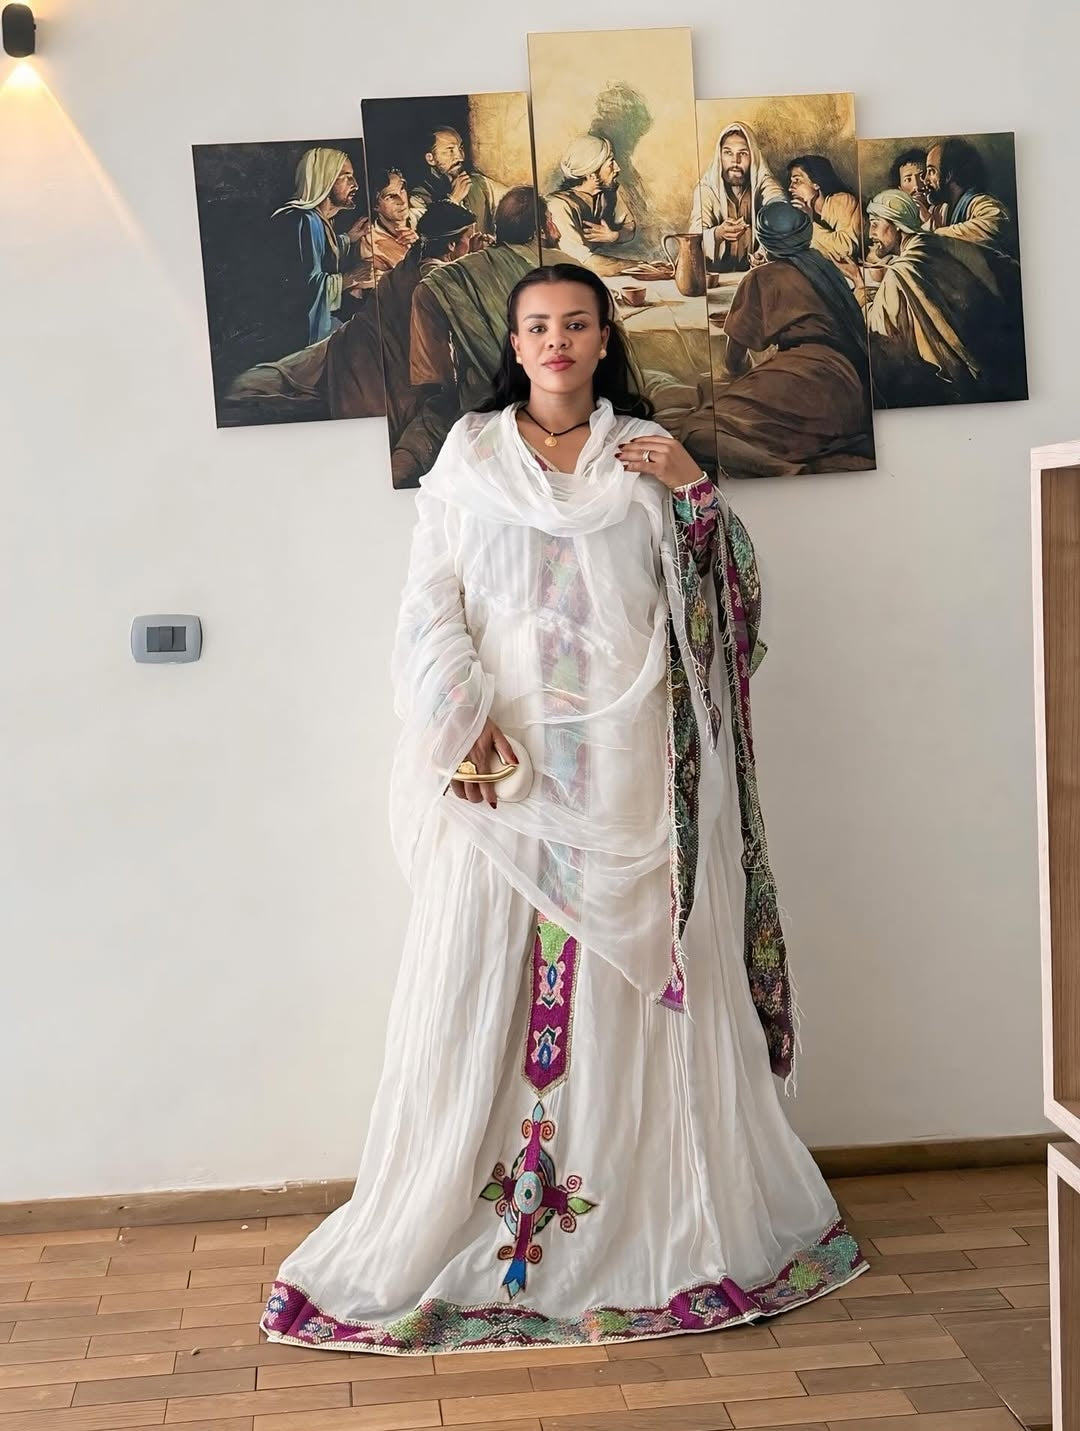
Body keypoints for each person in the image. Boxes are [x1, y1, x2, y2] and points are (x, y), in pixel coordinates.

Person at [260, 261, 869, 1356]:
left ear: (601, 339)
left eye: (576, 324)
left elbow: (732, 599)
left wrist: (692, 489)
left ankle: (662, 1220)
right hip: (506, 774)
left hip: (633, 775)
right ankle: (484, 1229)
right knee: (479, 979)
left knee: (637, 990)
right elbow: (429, 606)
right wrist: (460, 720)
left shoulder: (643, 456)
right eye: (537, 325)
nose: (556, 341)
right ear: (517, 339)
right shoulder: (471, 455)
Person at [705, 202, 874, 477]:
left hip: (802, 379)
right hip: (847, 388)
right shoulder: (825, 270)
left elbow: (734, 362)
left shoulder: (760, 278)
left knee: (699, 430)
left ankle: (784, 471)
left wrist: (753, 384)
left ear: (764, 240)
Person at [843, 188, 1023, 407]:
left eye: (876, 223)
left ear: (898, 225)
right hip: (987, 356)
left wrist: (860, 294)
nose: (870, 233)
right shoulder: (931, 244)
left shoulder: (901, 272)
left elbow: (881, 329)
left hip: (948, 381)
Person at [408, 187, 574, 409]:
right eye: (550, 220)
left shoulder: (464, 269)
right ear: (540, 231)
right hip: (512, 398)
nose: (556, 229)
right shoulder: (565, 266)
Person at [271, 147, 372, 347]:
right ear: (324, 180)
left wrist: (348, 239)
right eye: (346, 177)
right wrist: (351, 278)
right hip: (298, 337)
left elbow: (320, 252)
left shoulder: (318, 220)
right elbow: (305, 287)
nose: (356, 185)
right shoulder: (303, 220)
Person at [690, 122, 785, 272]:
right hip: (716, 279)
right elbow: (694, 237)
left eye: (743, 153)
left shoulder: (763, 183)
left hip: (755, 276)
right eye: (728, 152)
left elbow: (779, 209)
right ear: (720, 156)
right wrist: (717, 234)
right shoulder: (706, 189)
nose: (735, 161)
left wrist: (764, 253)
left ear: (753, 156)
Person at [544, 135, 636, 273]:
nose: (617, 168)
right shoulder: (559, 206)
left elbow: (630, 227)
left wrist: (614, 236)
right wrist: (640, 267)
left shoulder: (608, 193)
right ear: (591, 174)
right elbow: (582, 261)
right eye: (611, 164)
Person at [408, 126, 506, 237]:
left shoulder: (481, 184)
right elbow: (427, 237)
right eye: (450, 150)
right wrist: (453, 201)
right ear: (431, 159)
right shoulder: (419, 198)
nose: (460, 157)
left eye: (460, 148)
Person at [923, 138, 1014, 254]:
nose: (925, 180)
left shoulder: (980, 203)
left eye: (931, 171)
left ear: (949, 174)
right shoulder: (942, 210)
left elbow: (994, 224)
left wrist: (936, 235)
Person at [787, 154, 863, 264]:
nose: (790, 188)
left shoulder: (842, 201)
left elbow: (846, 250)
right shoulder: (798, 213)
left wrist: (810, 224)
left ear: (816, 184)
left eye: (797, 180)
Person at [354, 166, 418, 282]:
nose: (402, 201)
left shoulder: (423, 216)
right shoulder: (369, 244)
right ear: (375, 206)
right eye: (391, 196)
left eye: (402, 189)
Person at [890, 147, 936, 226]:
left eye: (922, 176)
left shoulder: (943, 210)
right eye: (908, 180)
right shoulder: (897, 218)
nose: (917, 186)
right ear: (900, 188)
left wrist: (927, 219)